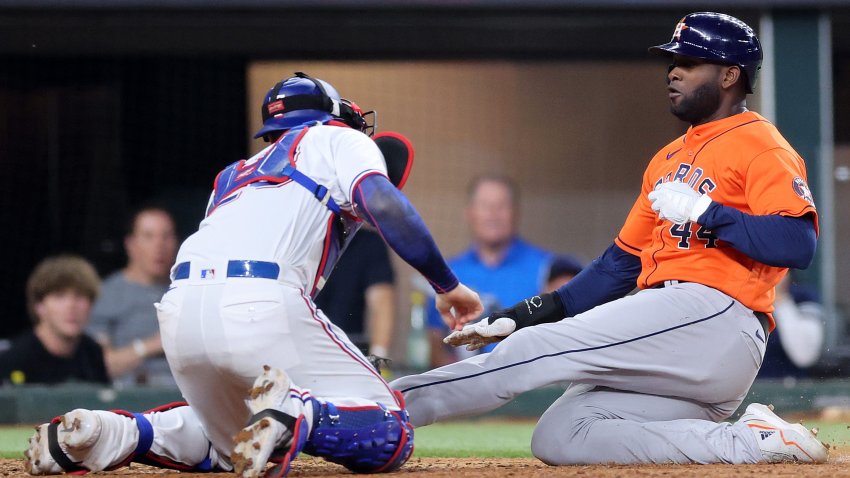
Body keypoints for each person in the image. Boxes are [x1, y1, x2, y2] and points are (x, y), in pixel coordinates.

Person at [392, 12, 829, 465]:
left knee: (535, 349)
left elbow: (797, 244)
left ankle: (385, 410)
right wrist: (520, 315)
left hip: (716, 317)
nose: (673, 71)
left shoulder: (762, 144)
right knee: (562, 435)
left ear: (730, 75)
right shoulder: (668, 158)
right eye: (671, 61)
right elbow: (619, 265)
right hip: (679, 339)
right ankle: (753, 442)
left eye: (688, 61)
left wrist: (710, 213)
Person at [25, 72, 482, 477]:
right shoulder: (336, 138)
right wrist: (447, 285)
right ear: (329, 117)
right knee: (392, 430)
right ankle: (298, 413)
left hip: (180, 309)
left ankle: (112, 433)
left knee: (227, 446)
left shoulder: (232, 176)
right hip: (260, 300)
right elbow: (382, 203)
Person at [427, 175, 552, 366]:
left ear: (516, 213)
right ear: (469, 213)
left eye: (501, 206)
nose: (493, 215)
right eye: (485, 206)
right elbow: (434, 343)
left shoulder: (547, 268)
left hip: (533, 386)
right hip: (466, 388)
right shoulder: (448, 273)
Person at [88, 206, 178, 386]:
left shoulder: (188, 291)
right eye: (149, 236)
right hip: (131, 400)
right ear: (131, 244)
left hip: (189, 398)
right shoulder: (106, 294)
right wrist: (154, 344)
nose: (159, 245)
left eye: (166, 236)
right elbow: (99, 366)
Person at [0, 255, 108, 385]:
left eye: (79, 296)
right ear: (39, 306)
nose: (71, 306)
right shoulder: (14, 359)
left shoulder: (92, 353)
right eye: (59, 296)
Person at [314, 227, 395, 359]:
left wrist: (378, 358)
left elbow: (381, 303)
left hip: (349, 351)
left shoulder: (368, 243)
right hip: (301, 344)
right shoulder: (303, 239)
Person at [758, 274, 825, 378]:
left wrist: (782, 302)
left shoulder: (802, 296)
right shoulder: (741, 296)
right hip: (744, 388)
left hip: (787, 387)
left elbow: (804, 356)